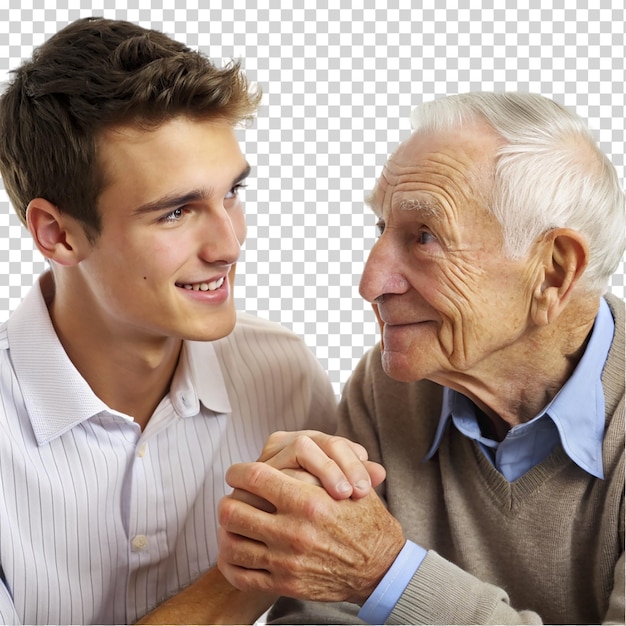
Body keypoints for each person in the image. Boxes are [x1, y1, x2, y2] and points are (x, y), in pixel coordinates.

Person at [0, 16, 361, 625]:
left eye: (232, 195)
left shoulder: (286, 377)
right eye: (175, 212)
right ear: (56, 234)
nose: (228, 244)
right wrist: (249, 567)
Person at [217, 92, 626, 625]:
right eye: (381, 229)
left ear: (552, 272)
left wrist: (387, 575)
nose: (371, 284)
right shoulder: (390, 388)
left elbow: (367, 582)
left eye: (425, 237)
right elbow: (314, 619)